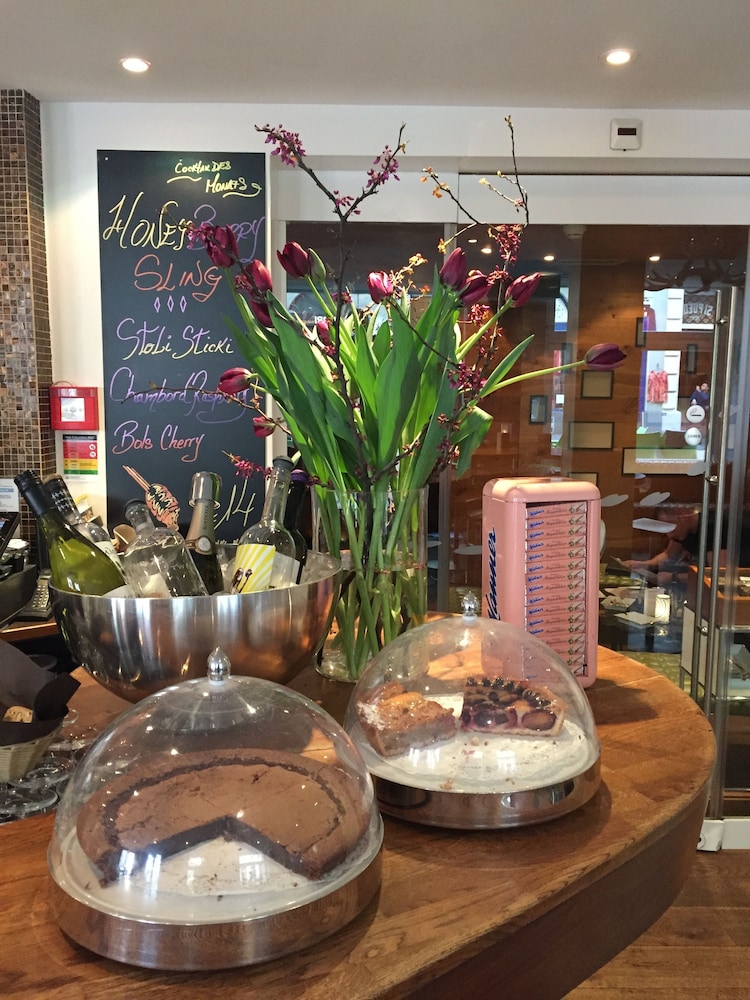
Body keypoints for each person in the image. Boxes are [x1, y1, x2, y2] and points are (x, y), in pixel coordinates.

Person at [621, 507, 701, 587]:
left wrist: (674, 577)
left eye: (670, 527)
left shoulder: (707, 529)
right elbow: (668, 555)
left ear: (683, 516)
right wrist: (640, 564)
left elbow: (707, 575)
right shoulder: (682, 531)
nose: (669, 536)